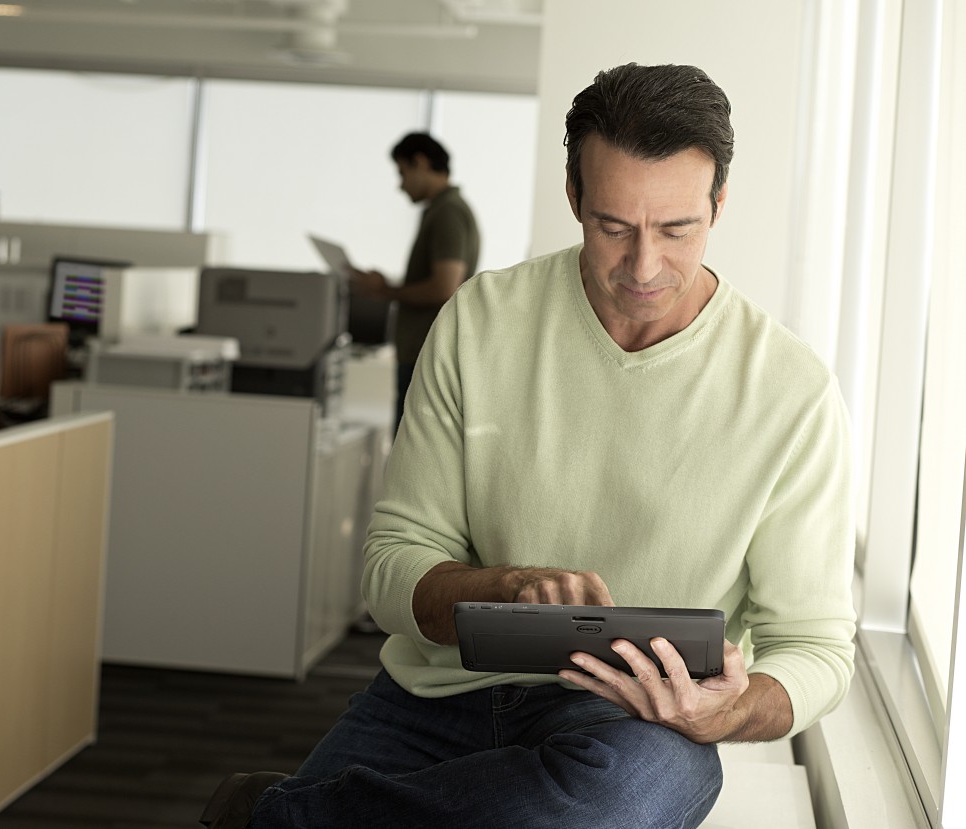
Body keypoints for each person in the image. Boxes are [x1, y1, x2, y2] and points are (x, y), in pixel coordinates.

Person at [200, 63, 856, 828]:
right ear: (573, 197)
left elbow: (815, 646)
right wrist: (503, 587)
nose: (643, 267)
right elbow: (391, 567)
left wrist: (731, 710)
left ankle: (275, 816)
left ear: (719, 203)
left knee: (627, 791)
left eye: (677, 229)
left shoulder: (791, 390)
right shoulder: (482, 320)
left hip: (626, 718)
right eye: (613, 226)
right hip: (438, 694)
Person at [350, 132, 479, 433]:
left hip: (426, 356)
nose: (400, 185)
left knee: (411, 450)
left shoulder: (448, 212)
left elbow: (444, 287)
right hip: (422, 354)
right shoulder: (441, 210)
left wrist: (383, 290)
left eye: (402, 172)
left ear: (420, 163)